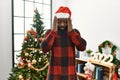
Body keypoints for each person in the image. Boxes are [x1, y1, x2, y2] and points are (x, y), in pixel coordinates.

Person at [41, 6, 87, 80]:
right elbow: (44, 49)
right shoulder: (50, 33)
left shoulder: (74, 33)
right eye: (59, 22)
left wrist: (71, 32)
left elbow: (82, 47)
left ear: (69, 21)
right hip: (54, 74)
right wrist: (53, 31)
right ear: (56, 21)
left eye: (65, 22)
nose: (62, 24)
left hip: (70, 74)